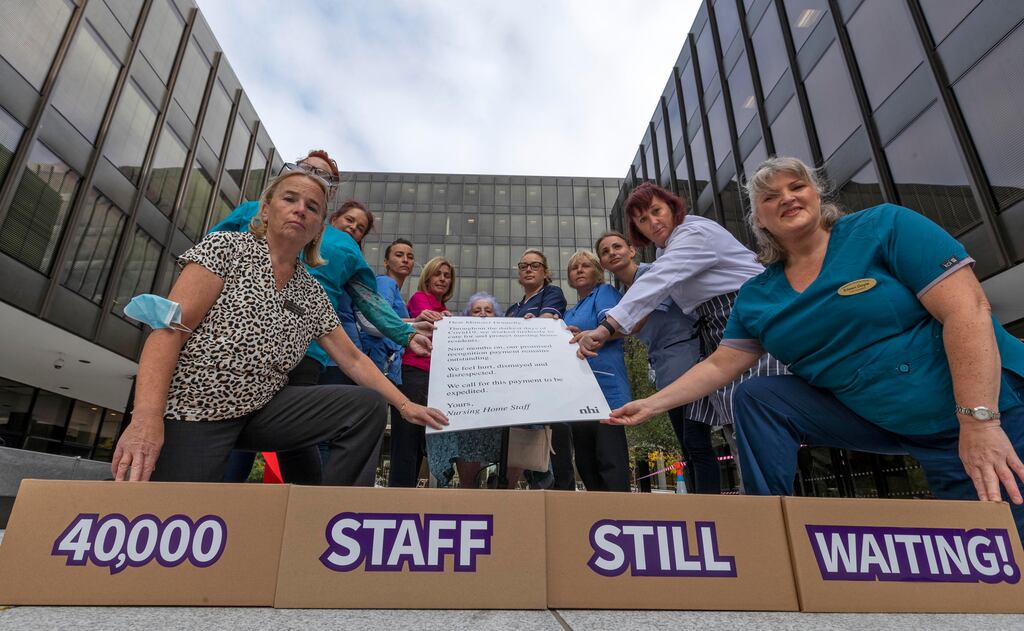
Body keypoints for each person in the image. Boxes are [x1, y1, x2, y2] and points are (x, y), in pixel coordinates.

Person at [607, 156, 1024, 539]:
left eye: (796, 186)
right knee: (756, 394)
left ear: (817, 194)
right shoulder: (758, 295)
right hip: (888, 420)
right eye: (770, 196)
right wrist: (653, 404)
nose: (786, 198)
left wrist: (980, 423)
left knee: (1006, 545)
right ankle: (765, 529)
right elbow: (720, 366)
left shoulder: (884, 226)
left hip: (988, 412)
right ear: (759, 219)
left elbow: (968, 310)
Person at [111, 169, 447, 484]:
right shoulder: (226, 249)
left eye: (312, 207)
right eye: (290, 199)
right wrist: (145, 418)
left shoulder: (311, 291)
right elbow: (167, 332)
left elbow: (354, 359)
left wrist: (405, 406)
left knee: (366, 407)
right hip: (196, 409)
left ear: (319, 228)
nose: (301, 209)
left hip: (263, 408)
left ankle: (332, 521)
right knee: (182, 518)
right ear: (266, 210)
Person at [213, 152, 425, 483]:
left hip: (305, 353)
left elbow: (369, 303)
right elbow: (207, 259)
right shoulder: (250, 211)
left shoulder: (343, 247)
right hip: (234, 342)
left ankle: (317, 516)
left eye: (324, 177)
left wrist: (407, 335)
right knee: (229, 433)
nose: (312, 177)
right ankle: (224, 506)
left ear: (330, 196)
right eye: (306, 169)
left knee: (294, 440)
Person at [572, 182, 785, 458]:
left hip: (748, 315)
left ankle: (774, 498)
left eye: (657, 210)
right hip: (717, 331)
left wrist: (604, 328)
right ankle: (759, 496)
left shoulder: (693, 232)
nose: (654, 222)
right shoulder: (664, 251)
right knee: (737, 421)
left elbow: (657, 283)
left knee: (754, 417)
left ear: (672, 207)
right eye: (643, 219)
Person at [595, 231, 719, 493]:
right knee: (686, 446)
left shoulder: (653, 275)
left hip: (691, 362)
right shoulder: (621, 293)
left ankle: (711, 509)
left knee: (696, 441)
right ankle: (700, 510)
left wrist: (597, 335)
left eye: (617, 246)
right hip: (665, 370)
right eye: (605, 252)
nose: (612, 253)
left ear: (632, 250)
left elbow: (636, 319)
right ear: (603, 263)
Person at [426, 293, 520, 488]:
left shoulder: (510, 339)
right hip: (470, 411)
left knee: (520, 433)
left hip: (503, 410)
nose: (483, 315)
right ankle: (469, 491)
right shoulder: (458, 340)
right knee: (464, 435)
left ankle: (508, 492)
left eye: (488, 310)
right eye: (477, 311)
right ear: (467, 316)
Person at [505, 249, 574, 490]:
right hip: (521, 386)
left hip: (548, 383)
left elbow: (543, 327)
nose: (528, 270)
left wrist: (531, 327)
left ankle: (563, 502)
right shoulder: (512, 309)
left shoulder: (552, 293)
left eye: (535, 265)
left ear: (545, 272)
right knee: (528, 451)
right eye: (523, 266)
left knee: (554, 447)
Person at [562, 250, 631, 492]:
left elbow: (619, 324)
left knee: (610, 460)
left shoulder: (604, 294)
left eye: (585, 266)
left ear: (598, 272)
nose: (579, 270)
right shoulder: (568, 313)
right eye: (574, 268)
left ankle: (620, 517)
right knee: (585, 462)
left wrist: (589, 334)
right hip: (577, 396)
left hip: (605, 390)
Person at [389, 256, 454, 487]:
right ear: (427, 277)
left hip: (431, 379)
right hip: (412, 374)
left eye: (447, 276)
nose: (443, 279)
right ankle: (399, 493)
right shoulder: (420, 299)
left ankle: (409, 492)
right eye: (438, 274)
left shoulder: (445, 309)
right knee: (406, 438)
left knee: (418, 440)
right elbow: (434, 324)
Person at [360, 238, 415, 385]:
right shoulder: (386, 282)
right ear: (386, 262)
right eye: (399, 255)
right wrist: (419, 322)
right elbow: (380, 319)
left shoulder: (394, 289)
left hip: (386, 362)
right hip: (378, 359)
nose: (405, 260)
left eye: (410, 257)